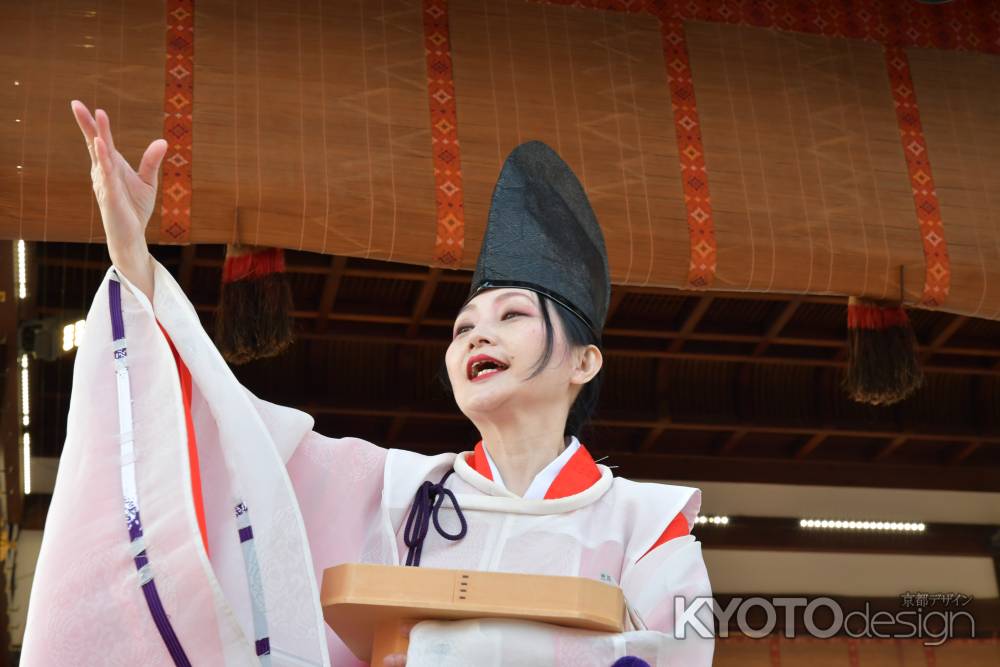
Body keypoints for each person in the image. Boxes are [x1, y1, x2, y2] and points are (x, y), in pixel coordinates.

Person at [20, 102, 714, 666]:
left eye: (511, 315)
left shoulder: (648, 524)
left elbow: (681, 649)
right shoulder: (397, 494)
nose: (476, 335)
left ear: (584, 362)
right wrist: (135, 263)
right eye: (464, 325)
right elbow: (222, 428)